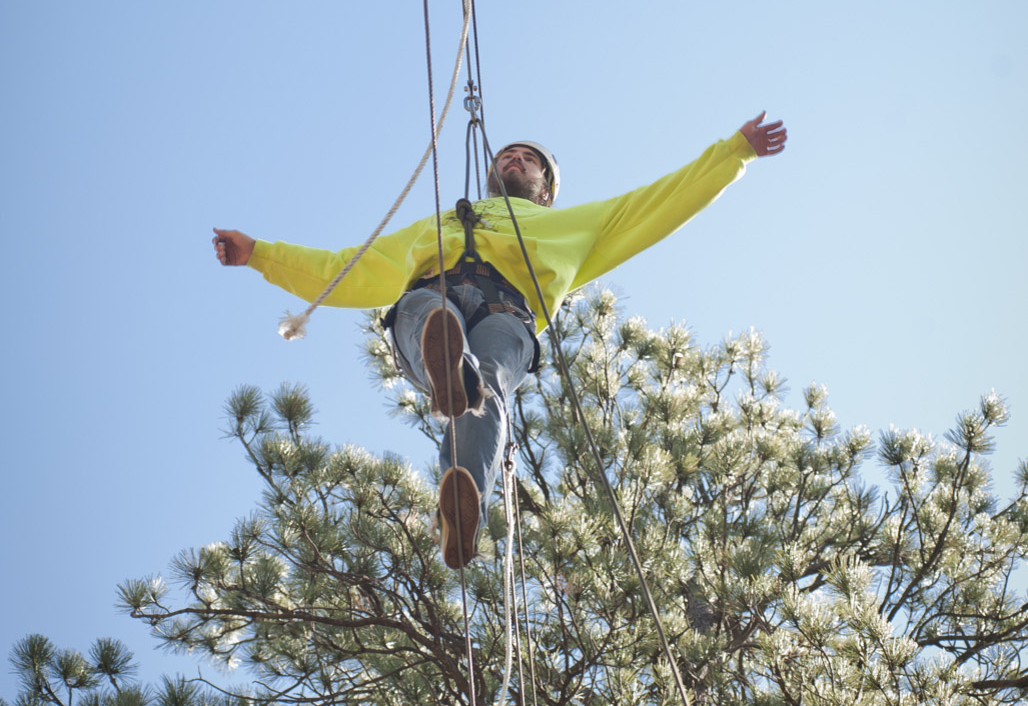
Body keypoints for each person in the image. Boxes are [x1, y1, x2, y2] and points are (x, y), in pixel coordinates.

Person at [214, 112, 787, 568]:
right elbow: (344, 267)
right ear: (492, 173)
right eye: (507, 155)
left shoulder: (574, 226)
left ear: (545, 189)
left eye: (529, 159)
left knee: (487, 385)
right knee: (426, 311)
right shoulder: (434, 226)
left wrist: (731, 153)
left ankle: (462, 502)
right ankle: (447, 363)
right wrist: (259, 254)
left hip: (507, 314)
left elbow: (656, 203)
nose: (515, 158)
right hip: (432, 296)